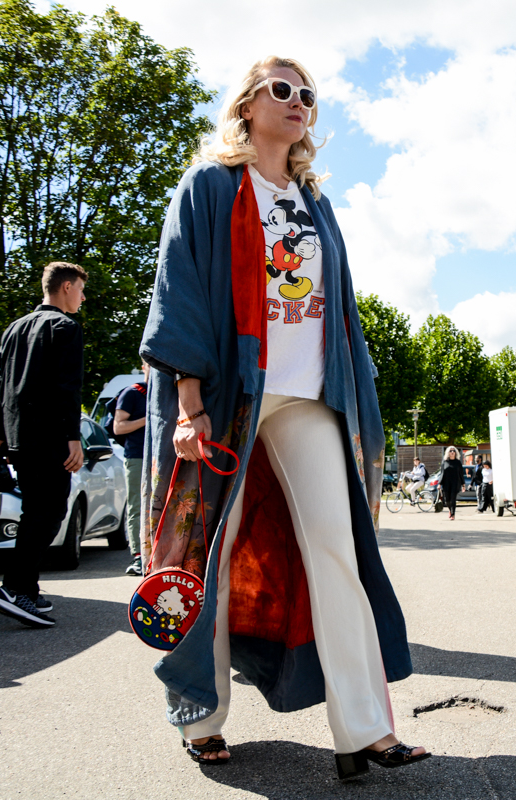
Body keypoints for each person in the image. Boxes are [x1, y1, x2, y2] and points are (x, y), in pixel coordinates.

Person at [139, 56, 427, 778]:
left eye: (308, 95)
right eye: (282, 90)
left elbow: (340, 309)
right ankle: (200, 718)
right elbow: (181, 292)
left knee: (336, 547)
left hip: (309, 394)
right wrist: (188, 406)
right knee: (206, 557)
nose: (298, 102)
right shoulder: (209, 186)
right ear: (246, 105)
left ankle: (365, 729)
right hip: (228, 394)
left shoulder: (314, 202)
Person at [0, 262, 88, 628]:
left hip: (19, 438)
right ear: (66, 287)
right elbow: (67, 388)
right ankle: (14, 589)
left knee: (34, 512)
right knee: (49, 513)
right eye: (80, 290)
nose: (82, 298)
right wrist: (72, 438)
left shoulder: (14, 328)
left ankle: (26, 589)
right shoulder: (65, 328)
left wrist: (0, 434)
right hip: (50, 437)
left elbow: (0, 386)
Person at [112, 362, 150, 576]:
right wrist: (148, 418)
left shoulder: (170, 391)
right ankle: (138, 556)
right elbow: (119, 427)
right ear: (144, 367)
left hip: (163, 455)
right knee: (138, 505)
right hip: (137, 456)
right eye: (150, 365)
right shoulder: (132, 393)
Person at [439, 447, 465, 520]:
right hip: (446, 483)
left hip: (455, 483)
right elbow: (442, 474)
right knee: (447, 500)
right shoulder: (444, 462)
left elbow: (461, 474)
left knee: (453, 499)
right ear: (448, 452)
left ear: (456, 453)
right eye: (450, 451)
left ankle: (453, 514)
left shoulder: (458, 462)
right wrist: (439, 484)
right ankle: (450, 510)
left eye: (454, 451)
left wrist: (463, 484)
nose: (452, 452)